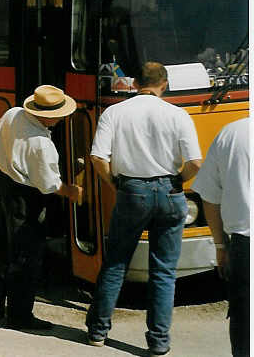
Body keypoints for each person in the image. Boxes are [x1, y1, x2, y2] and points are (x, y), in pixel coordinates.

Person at [86, 62, 203, 355]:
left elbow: (98, 158)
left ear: (135, 82)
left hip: (131, 190)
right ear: (164, 84)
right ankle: (159, 342)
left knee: (115, 263)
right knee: (164, 271)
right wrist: (177, 182)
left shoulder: (114, 113)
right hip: (170, 192)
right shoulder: (178, 114)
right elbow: (195, 162)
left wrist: (115, 184)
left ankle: (98, 332)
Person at [0, 85, 83, 330]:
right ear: (46, 116)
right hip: (25, 197)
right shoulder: (41, 145)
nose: (61, 119)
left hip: (3, 183)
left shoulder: (12, 113)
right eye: (59, 115)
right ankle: (19, 315)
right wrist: (71, 191)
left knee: (0, 249)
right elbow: (48, 184)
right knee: (26, 257)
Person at [192, 118, 250, 357]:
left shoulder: (232, 132)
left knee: (245, 321)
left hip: (245, 245)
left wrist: (219, 245)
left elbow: (209, 196)